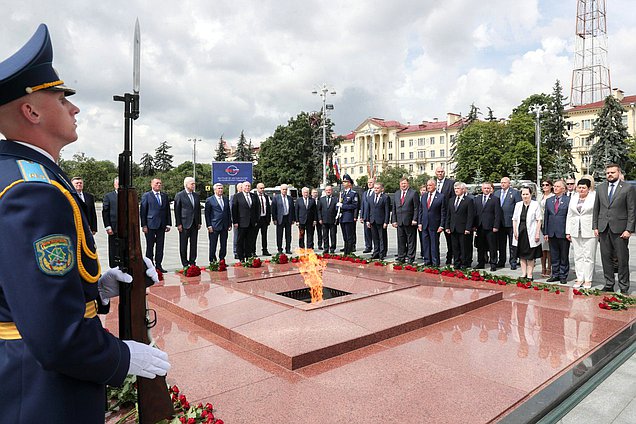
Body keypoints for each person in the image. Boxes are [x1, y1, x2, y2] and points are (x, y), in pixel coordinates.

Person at [0, 24, 169, 423]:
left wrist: (95, 285)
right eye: (62, 99)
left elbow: (23, 283)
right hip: (45, 394)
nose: (74, 108)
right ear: (32, 110)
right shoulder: (33, 190)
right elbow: (56, 337)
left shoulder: (16, 173)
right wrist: (122, 356)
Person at [593, 164, 635, 294]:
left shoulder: (627, 188)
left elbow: (632, 210)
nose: (609, 175)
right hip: (604, 229)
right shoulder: (600, 188)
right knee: (606, 258)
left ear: (618, 173)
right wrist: (595, 226)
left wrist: (629, 229)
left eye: (612, 172)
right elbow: (596, 209)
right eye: (607, 173)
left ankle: (623, 286)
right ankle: (609, 283)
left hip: (620, 230)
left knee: (622, 259)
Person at [566, 179, 597, 289]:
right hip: (575, 230)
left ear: (589, 188)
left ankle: (588, 279)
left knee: (588, 256)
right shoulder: (574, 198)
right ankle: (579, 278)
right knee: (578, 255)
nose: (581, 190)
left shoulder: (594, 197)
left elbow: (597, 214)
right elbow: (569, 215)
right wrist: (568, 231)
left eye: (584, 188)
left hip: (589, 229)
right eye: (579, 187)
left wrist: (596, 227)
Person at [140, 178, 172, 272]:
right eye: (157, 183)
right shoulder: (146, 196)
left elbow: (167, 211)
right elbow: (143, 211)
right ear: (152, 184)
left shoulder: (164, 196)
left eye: (160, 183)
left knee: (160, 246)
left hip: (162, 225)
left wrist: (168, 223)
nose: (159, 185)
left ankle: (158, 265)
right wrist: (144, 225)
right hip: (150, 225)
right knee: (150, 246)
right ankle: (149, 266)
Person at [543, 180, 571, 284]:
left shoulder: (568, 200)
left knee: (564, 255)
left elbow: (569, 217)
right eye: (554, 186)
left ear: (563, 189)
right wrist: (545, 232)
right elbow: (546, 217)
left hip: (563, 232)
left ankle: (563, 275)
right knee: (554, 255)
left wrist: (569, 232)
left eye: (558, 186)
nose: (555, 188)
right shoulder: (549, 200)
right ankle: (555, 274)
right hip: (551, 232)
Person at [512, 186, 543, 280]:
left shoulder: (535, 204)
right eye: (523, 194)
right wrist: (515, 231)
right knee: (521, 255)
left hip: (531, 233)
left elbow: (539, 220)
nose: (525, 196)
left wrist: (537, 233)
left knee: (530, 255)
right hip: (520, 232)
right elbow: (514, 219)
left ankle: (529, 274)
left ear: (530, 194)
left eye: (527, 194)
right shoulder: (518, 205)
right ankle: (523, 273)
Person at [473, 182, 502, 271]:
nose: (486, 190)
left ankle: (493, 263)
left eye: (488, 188)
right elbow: (474, 213)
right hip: (480, 226)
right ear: (482, 189)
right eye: (485, 188)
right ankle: (481, 262)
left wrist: (496, 226)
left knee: (492, 246)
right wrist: (474, 225)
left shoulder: (495, 199)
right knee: (480, 246)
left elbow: (497, 214)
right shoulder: (477, 199)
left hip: (491, 227)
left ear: (490, 189)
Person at [418, 179, 446, 266]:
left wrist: (441, 225)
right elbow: (421, 210)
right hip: (424, 224)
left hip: (435, 224)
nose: (428, 187)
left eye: (430, 185)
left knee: (434, 244)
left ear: (435, 186)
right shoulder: (424, 196)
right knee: (425, 243)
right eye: (427, 185)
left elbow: (443, 212)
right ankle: (427, 261)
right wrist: (419, 223)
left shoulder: (441, 196)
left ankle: (435, 262)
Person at [174, 177, 201, 267]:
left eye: (194, 184)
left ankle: (192, 261)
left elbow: (198, 210)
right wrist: (178, 224)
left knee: (194, 244)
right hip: (184, 223)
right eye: (192, 184)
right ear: (186, 184)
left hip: (194, 223)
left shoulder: (196, 195)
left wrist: (199, 222)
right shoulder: (180, 195)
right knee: (183, 244)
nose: (194, 185)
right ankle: (185, 263)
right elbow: (177, 210)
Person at [495, 176, 522, 270]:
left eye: (505, 182)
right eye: (501, 182)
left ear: (509, 183)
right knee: (501, 244)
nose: (503, 184)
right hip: (500, 223)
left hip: (511, 223)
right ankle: (501, 261)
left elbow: (518, 207)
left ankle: (513, 262)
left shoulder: (515, 193)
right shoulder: (497, 193)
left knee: (512, 244)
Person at [445, 182, 474, 269]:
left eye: (458, 189)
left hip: (463, 228)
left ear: (463, 190)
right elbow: (448, 215)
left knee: (464, 247)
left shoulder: (468, 200)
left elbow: (470, 216)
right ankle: (456, 263)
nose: (456, 190)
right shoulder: (451, 200)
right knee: (455, 247)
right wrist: (447, 226)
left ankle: (464, 263)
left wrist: (468, 228)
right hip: (453, 228)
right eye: (455, 189)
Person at [392, 177, 419, 264]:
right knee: (401, 241)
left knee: (411, 241)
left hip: (410, 221)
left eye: (405, 183)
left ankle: (411, 258)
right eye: (401, 183)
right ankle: (401, 257)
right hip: (399, 222)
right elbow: (394, 208)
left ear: (408, 184)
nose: (403, 185)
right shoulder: (396, 193)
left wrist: (415, 219)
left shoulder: (413, 193)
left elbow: (416, 208)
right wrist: (393, 220)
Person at [232, 181, 259, 261]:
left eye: (249, 186)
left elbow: (257, 209)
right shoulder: (237, 196)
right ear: (242, 187)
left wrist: (256, 220)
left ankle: (248, 256)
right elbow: (234, 209)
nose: (247, 187)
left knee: (249, 240)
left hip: (251, 222)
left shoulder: (254, 196)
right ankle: (241, 257)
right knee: (240, 241)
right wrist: (235, 221)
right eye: (246, 186)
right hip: (241, 222)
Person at [205, 183, 232, 263]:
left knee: (223, 244)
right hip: (214, 226)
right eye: (219, 188)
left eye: (221, 188)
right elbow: (207, 214)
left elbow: (228, 212)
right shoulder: (210, 200)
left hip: (224, 226)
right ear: (215, 190)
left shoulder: (225, 199)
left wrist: (229, 223)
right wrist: (209, 225)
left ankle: (222, 259)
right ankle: (212, 260)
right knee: (213, 244)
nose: (221, 190)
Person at [435, 166, 456, 264]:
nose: (440, 173)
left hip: (447, 216)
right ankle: (435, 259)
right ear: (436, 173)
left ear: (444, 173)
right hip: (435, 216)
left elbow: (453, 200)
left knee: (450, 240)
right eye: (438, 172)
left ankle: (450, 257)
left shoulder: (450, 183)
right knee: (434, 240)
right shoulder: (432, 183)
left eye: (442, 172)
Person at [365, 182, 390, 259]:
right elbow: (368, 209)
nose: (375, 189)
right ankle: (376, 252)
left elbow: (387, 211)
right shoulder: (370, 197)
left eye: (377, 188)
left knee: (382, 237)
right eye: (375, 188)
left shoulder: (385, 197)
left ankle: (382, 253)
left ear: (381, 189)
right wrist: (368, 220)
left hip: (381, 221)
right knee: (375, 237)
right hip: (373, 220)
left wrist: (386, 222)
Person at [338, 174, 359, 255]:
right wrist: (338, 207)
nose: (344, 183)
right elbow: (339, 203)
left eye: (346, 182)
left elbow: (354, 205)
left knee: (349, 236)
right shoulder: (342, 193)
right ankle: (346, 251)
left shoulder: (353, 194)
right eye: (343, 182)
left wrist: (343, 206)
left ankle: (349, 252)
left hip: (348, 217)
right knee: (345, 236)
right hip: (342, 217)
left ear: (350, 183)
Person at [271, 184, 295, 254]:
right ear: (281, 190)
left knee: (288, 235)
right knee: (279, 235)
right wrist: (274, 219)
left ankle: (288, 249)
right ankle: (279, 249)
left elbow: (292, 209)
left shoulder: (290, 198)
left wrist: (293, 219)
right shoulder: (276, 198)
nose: (284, 191)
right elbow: (273, 209)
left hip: (288, 218)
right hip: (280, 219)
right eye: (283, 189)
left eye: (286, 189)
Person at [102, 177, 119, 267]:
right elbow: (105, 212)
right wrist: (108, 226)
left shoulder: (127, 195)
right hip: (113, 226)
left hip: (125, 227)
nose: (119, 185)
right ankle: (113, 265)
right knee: (113, 247)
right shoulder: (109, 196)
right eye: (118, 184)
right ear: (114, 185)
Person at [539, 179, 554, 277]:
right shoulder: (540, 197)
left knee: (548, 247)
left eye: (547, 185)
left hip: (549, 223)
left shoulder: (552, 196)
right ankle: (543, 267)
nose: (545, 186)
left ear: (551, 186)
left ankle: (549, 268)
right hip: (540, 223)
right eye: (543, 185)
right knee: (542, 247)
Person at [317, 184, 338, 254]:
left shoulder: (336, 199)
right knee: (325, 235)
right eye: (327, 190)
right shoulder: (321, 199)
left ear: (332, 191)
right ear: (325, 191)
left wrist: (337, 219)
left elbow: (338, 210)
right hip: (324, 220)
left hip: (333, 221)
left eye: (329, 190)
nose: (328, 191)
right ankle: (326, 248)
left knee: (333, 235)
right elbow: (319, 210)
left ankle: (332, 248)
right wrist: (319, 218)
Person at [255, 182, 272, 256]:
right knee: (254, 236)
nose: (262, 189)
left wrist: (268, 219)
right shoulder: (254, 196)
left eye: (263, 188)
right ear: (257, 188)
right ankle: (253, 251)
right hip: (257, 219)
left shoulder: (266, 197)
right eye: (261, 188)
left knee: (264, 236)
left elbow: (268, 208)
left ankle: (265, 250)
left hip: (264, 219)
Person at [359, 177, 375, 253]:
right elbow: (362, 205)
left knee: (374, 233)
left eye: (371, 182)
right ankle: (368, 246)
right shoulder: (365, 193)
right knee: (367, 233)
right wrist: (361, 216)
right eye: (368, 182)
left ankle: (376, 248)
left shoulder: (376, 192)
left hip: (373, 216)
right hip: (365, 216)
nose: (369, 184)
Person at [230, 182, 243, 259]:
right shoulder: (234, 196)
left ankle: (242, 251)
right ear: (237, 188)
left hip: (244, 221)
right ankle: (235, 251)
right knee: (236, 236)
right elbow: (232, 209)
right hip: (237, 221)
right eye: (241, 187)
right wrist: (234, 221)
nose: (242, 189)